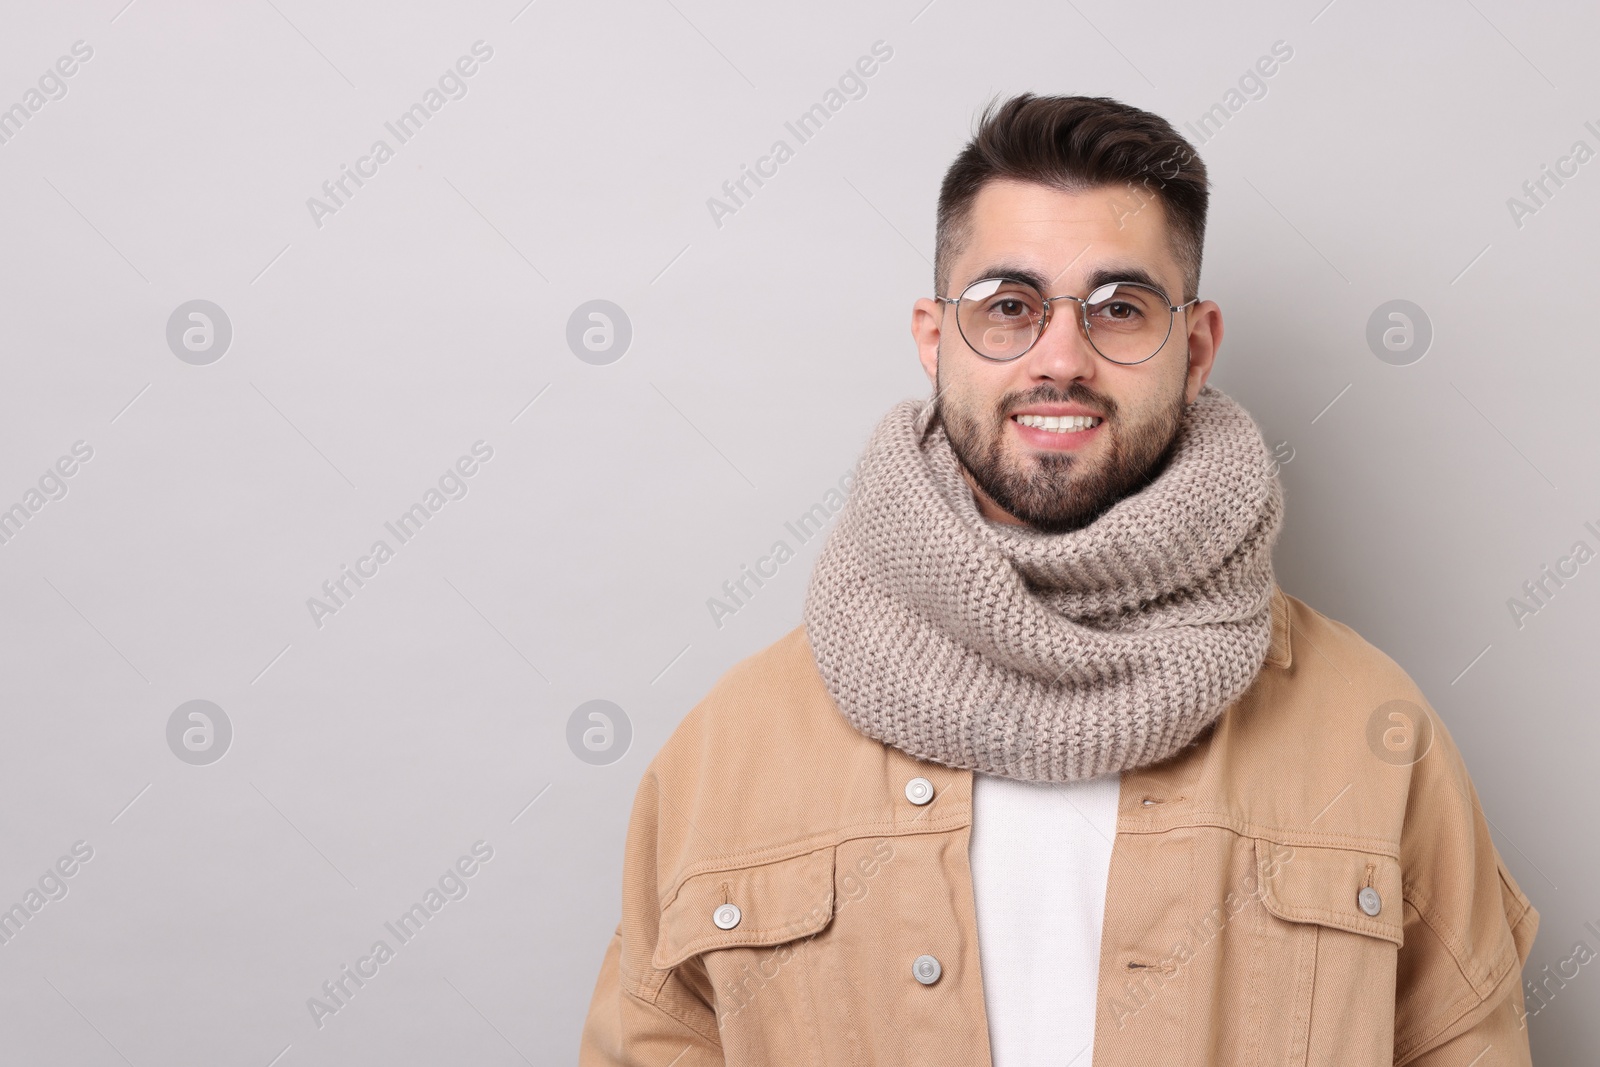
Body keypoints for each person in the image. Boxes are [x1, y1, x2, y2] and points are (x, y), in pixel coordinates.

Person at [578, 93, 1539, 1065]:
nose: (1062, 358)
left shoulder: (1374, 737)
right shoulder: (726, 753)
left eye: (1120, 308)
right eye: (1009, 305)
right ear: (933, 336)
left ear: (1196, 347)